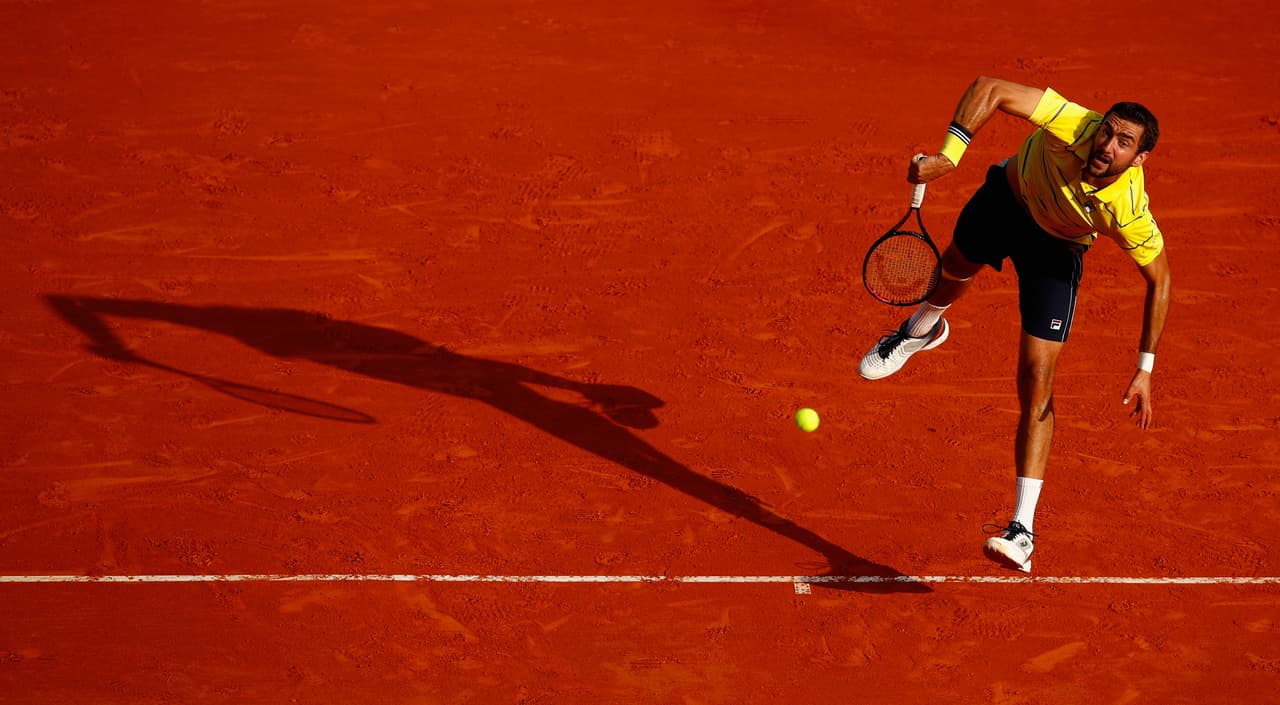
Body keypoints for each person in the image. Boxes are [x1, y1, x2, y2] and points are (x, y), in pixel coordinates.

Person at [857, 76, 1172, 573]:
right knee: (954, 270)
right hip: (1006, 199)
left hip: (1056, 249)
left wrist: (1145, 367)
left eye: (1123, 143)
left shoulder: (1129, 210)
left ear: (1139, 158)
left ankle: (1021, 529)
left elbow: (1161, 280)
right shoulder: (1074, 124)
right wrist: (949, 155)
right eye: (1107, 132)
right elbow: (992, 88)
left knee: (1036, 379)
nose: (1106, 145)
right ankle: (921, 330)